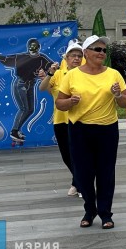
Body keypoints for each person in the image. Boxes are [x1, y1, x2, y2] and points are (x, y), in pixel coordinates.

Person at [56, 35, 126, 230]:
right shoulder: (72, 75)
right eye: (97, 49)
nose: (101, 53)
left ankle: (105, 213)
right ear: (86, 52)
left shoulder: (113, 74)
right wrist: (70, 102)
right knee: (83, 174)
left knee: (106, 172)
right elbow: (59, 103)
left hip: (107, 129)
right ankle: (90, 209)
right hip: (80, 129)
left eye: (104, 50)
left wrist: (118, 95)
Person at [0, 38, 56, 143]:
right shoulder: (22, 57)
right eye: (31, 46)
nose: (33, 48)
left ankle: (17, 129)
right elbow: (5, 60)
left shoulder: (42, 58)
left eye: (35, 46)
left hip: (31, 84)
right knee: (24, 108)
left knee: (30, 109)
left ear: (39, 47)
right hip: (21, 83)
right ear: (28, 47)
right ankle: (14, 131)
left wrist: (57, 67)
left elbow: (52, 67)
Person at [40, 39, 84, 196]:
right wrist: (49, 74)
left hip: (80, 120)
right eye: (73, 56)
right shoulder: (58, 74)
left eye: (79, 56)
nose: (76, 59)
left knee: (79, 154)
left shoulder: (86, 74)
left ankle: (80, 184)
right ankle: (78, 181)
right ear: (66, 58)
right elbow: (43, 87)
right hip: (60, 120)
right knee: (66, 155)